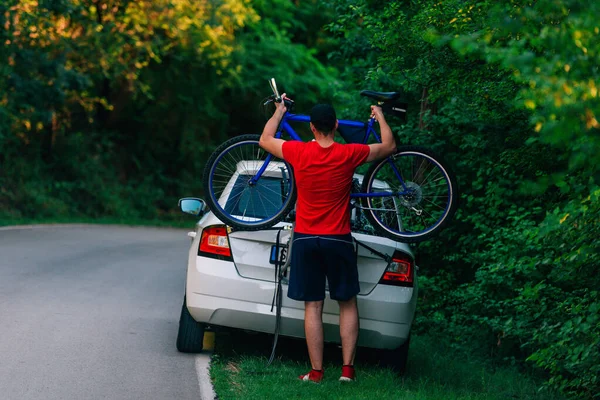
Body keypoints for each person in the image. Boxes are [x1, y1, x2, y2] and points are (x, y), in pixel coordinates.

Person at [258, 94, 396, 383]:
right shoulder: (349, 153)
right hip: (338, 238)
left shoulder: (298, 152)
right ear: (335, 125)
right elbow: (388, 147)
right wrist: (380, 116)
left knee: (313, 305)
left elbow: (265, 139)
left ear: (311, 127)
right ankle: (347, 371)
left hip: (307, 238)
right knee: (347, 303)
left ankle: (316, 372)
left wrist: (279, 110)